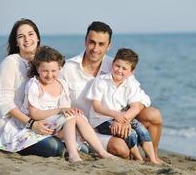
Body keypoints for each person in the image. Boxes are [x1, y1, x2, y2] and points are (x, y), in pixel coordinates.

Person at [61, 21, 163, 161]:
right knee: (120, 148)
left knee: (153, 114)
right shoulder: (67, 68)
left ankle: (153, 158)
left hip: (117, 119)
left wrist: (125, 119)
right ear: (85, 41)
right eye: (92, 42)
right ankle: (132, 155)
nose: (96, 49)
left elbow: (140, 99)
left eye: (101, 44)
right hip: (88, 128)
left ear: (109, 46)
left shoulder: (117, 65)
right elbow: (57, 103)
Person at [0, 46, 115, 162]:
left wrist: (71, 110)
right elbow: (34, 114)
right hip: (35, 125)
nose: (49, 75)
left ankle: (101, 152)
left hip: (54, 123)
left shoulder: (61, 84)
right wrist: (60, 110)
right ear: (38, 69)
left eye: (53, 71)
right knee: (69, 118)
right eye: (45, 71)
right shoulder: (34, 85)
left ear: (59, 69)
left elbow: (65, 108)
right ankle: (73, 155)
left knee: (75, 116)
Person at [0, 18, 65, 157]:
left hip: (41, 119)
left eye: (30, 34)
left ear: (38, 37)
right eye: (21, 36)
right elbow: (5, 103)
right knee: (55, 148)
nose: (27, 39)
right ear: (16, 42)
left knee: (76, 143)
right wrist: (32, 124)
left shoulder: (44, 63)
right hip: (17, 124)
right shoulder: (10, 63)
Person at [87, 48, 159, 164]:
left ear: (131, 72)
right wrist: (116, 115)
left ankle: (153, 159)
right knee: (130, 133)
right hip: (101, 120)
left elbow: (136, 105)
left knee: (142, 130)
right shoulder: (101, 81)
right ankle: (138, 159)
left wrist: (124, 119)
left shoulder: (129, 83)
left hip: (121, 117)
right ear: (112, 64)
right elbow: (96, 106)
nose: (119, 70)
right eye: (117, 66)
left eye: (124, 68)